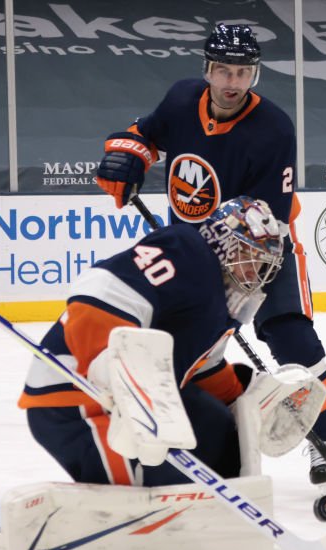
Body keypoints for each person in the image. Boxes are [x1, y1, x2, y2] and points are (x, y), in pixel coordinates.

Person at [94, 23, 326, 492]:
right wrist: (128, 158)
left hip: (260, 250)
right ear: (207, 69)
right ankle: (186, 444)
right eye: (224, 71)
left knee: (293, 339)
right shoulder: (181, 99)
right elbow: (140, 135)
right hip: (191, 255)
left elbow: (265, 216)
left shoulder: (273, 129)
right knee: (183, 352)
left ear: (256, 75)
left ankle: (324, 434)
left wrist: (225, 267)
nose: (233, 82)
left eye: (243, 72)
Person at [19, 196, 292, 486]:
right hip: (77, 396)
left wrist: (248, 393)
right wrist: (110, 368)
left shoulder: (219, 303)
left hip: (135, 403)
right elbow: (99, 291)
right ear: (224, 241)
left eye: (261, 265)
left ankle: (214, 519)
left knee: (218, 430)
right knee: (154, 490)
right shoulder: (188, 251)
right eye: (248, 256)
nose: (254, 273)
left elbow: (201, 371)